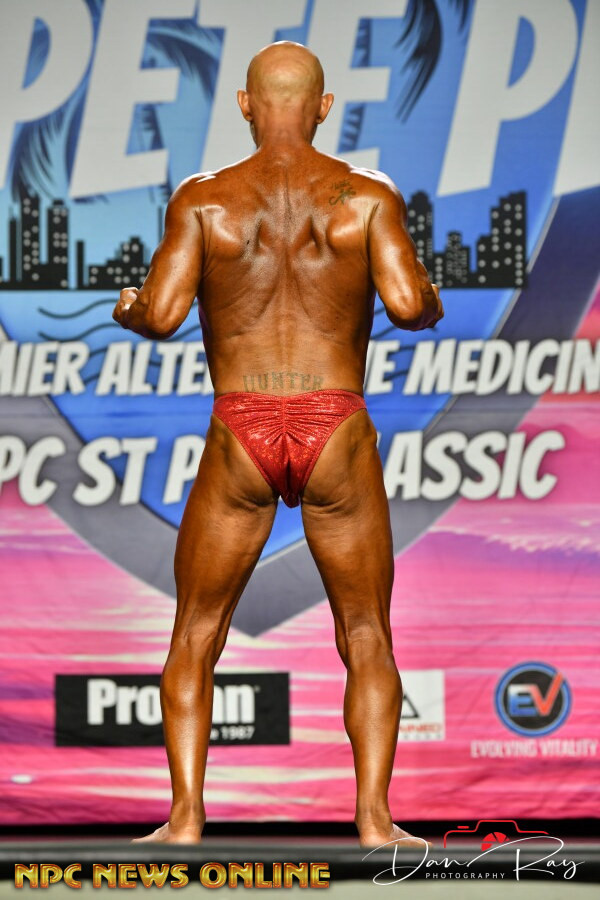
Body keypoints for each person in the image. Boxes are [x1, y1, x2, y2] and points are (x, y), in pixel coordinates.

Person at [112, 40, 443, 847]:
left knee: (196, 632)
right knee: (366, 633)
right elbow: (409, 306)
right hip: (336, 424)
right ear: (325, 108)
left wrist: (128, 307)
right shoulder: (367, 196)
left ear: (245, 105)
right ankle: (375, 822)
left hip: (243, 422)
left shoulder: (204, 200)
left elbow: (161, 316)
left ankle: (184, 820)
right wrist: (430, 293)